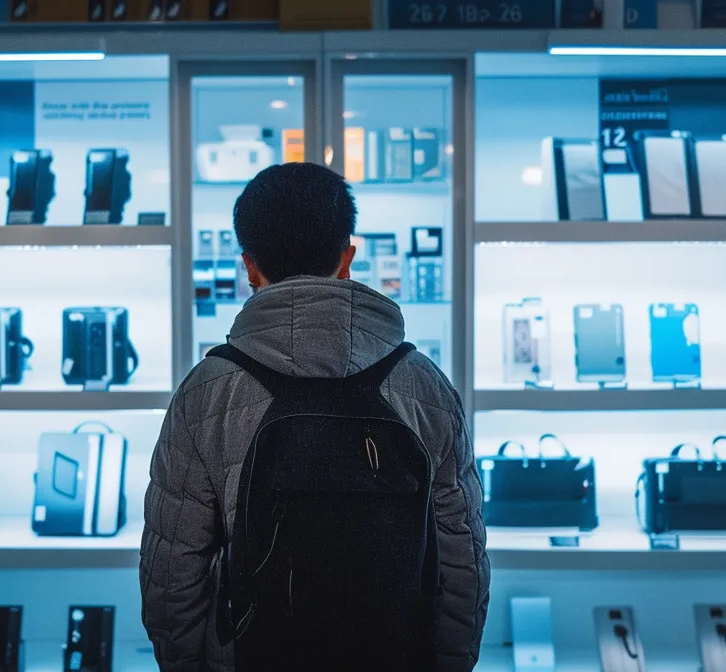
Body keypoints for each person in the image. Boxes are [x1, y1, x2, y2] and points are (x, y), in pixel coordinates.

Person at [140, 163, 488, 671]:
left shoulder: (206, 390)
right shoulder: (423, 385)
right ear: (348, 258)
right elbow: (465, 564)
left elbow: (171, 578)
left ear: (249, 267)